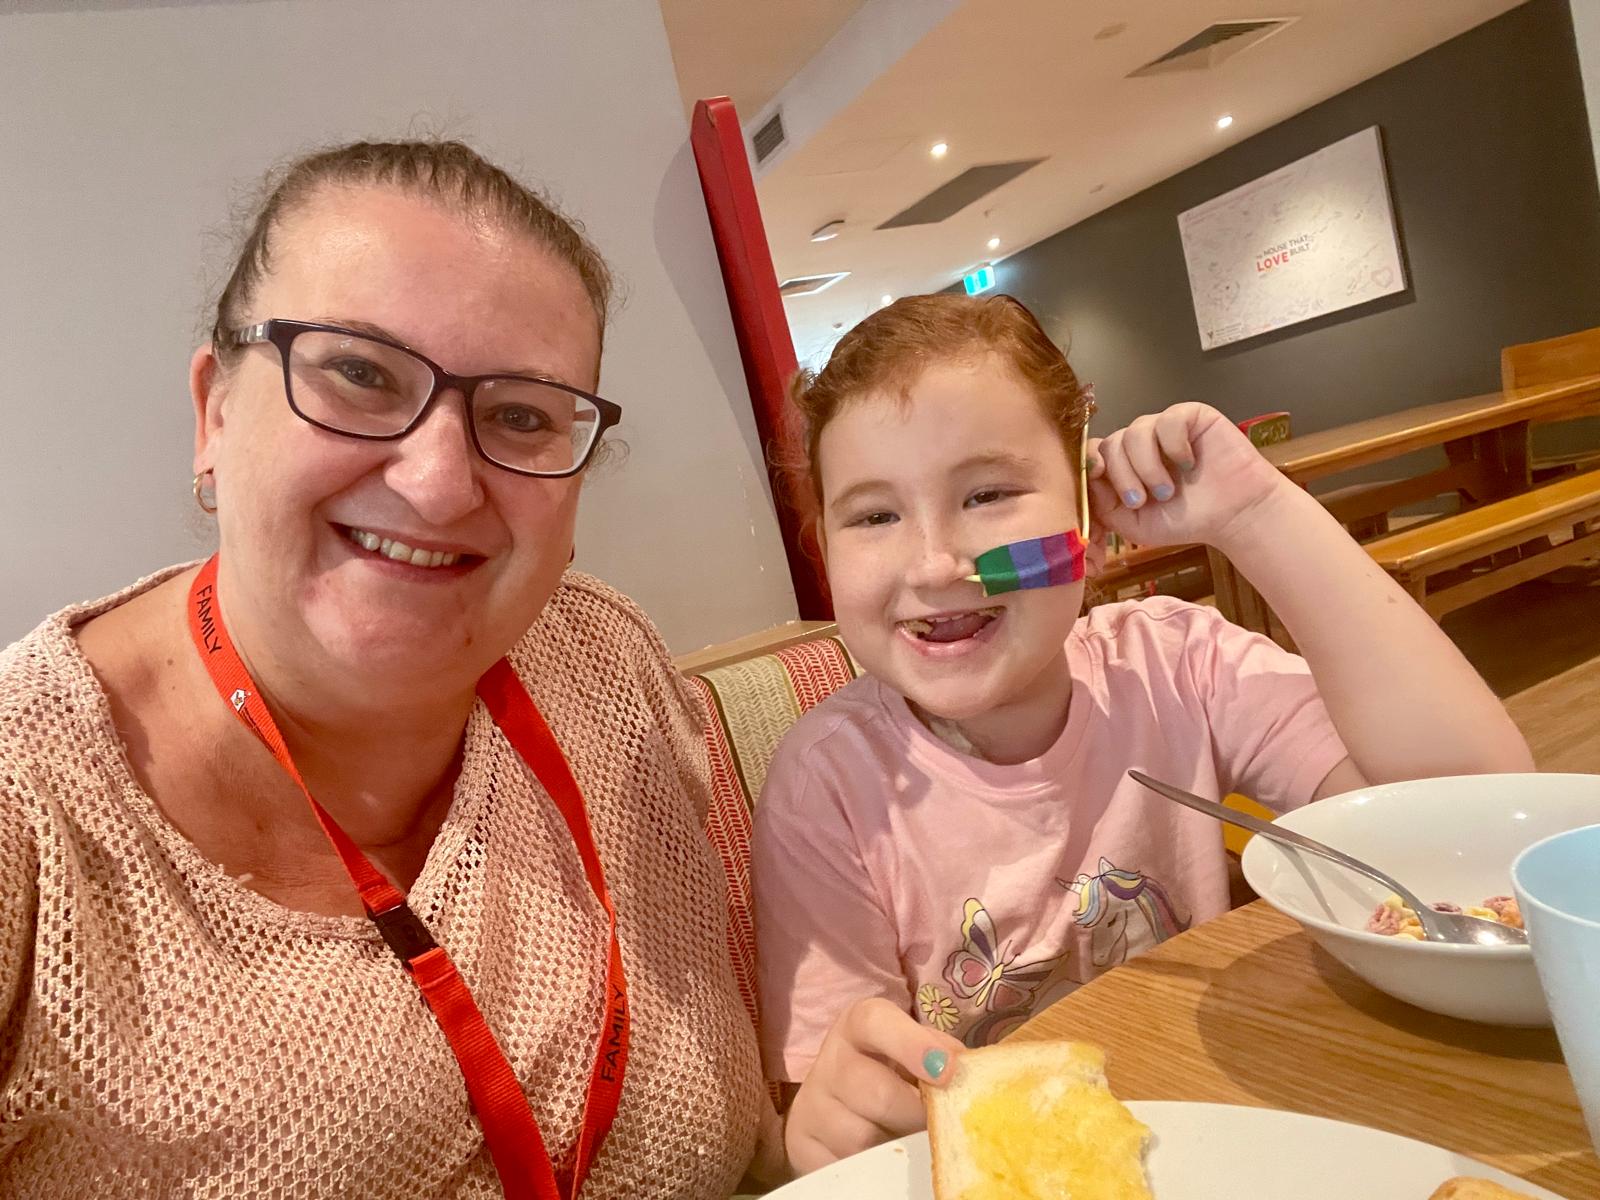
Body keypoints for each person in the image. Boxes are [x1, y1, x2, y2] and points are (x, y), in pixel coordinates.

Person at [0, 138, 865, 1198]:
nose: (441, 483)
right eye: (361, 374)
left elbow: (733, 1143)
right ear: (214, 413)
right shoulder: (25, 813)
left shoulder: (603, 659)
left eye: (521, 414)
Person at [752, 293, 1534, 1172]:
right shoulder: (829, 789)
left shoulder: (1176, 663)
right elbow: (842, 1108)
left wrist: (1254, 513)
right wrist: (831, 1127)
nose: (935, 565)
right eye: (874, 516)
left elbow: (1472, 819)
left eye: (988, 494)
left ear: (1088, 524)